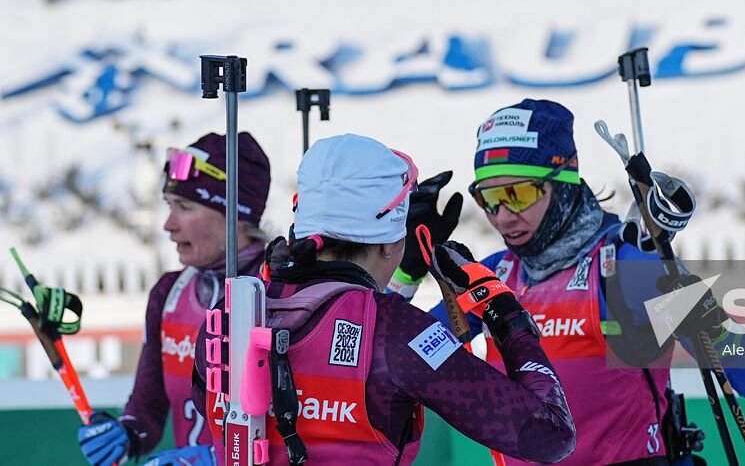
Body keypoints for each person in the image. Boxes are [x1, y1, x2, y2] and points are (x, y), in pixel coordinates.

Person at [409, 98, 745, 466]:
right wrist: (404, 267)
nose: (503, 216)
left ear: (564, 182)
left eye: (518, 194)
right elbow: (400, 361)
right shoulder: (494, 276)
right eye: (489, 198)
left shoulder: (626, 264)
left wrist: (703, 315)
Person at [192, 132, 576, 465]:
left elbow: (355, 341)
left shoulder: (232, 315)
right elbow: (551, 434)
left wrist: (406, 279)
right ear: (392, 244)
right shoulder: (393, 330)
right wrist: (503, 311)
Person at [76, 132, 273, 466]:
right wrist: (125, 435)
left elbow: (302, 421)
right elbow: (147, 410)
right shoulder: (169, 294)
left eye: (185, 207)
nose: (168, 225)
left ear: (236, 216)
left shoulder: (279, 293)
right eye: (169, 206)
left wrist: (216, 457)